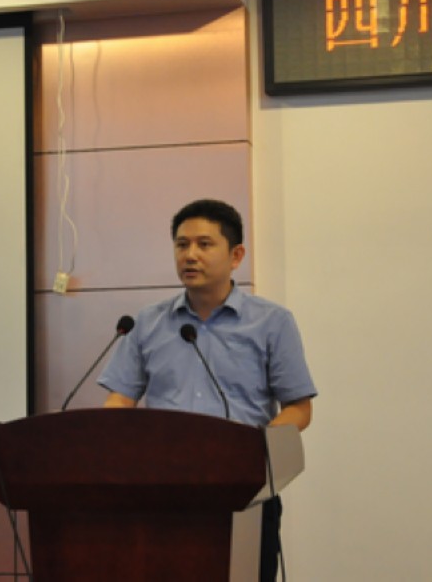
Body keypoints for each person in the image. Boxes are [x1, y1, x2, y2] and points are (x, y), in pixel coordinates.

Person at [97, 198, 317, 581]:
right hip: (162, 490)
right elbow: (120, 398)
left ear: (236, 255)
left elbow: (299, 408)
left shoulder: (272, 323)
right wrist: (103, 440)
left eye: (204, 244)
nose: (190, 255)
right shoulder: (148, 323)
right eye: (182, 245)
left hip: (243, 491)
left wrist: (253, 450)